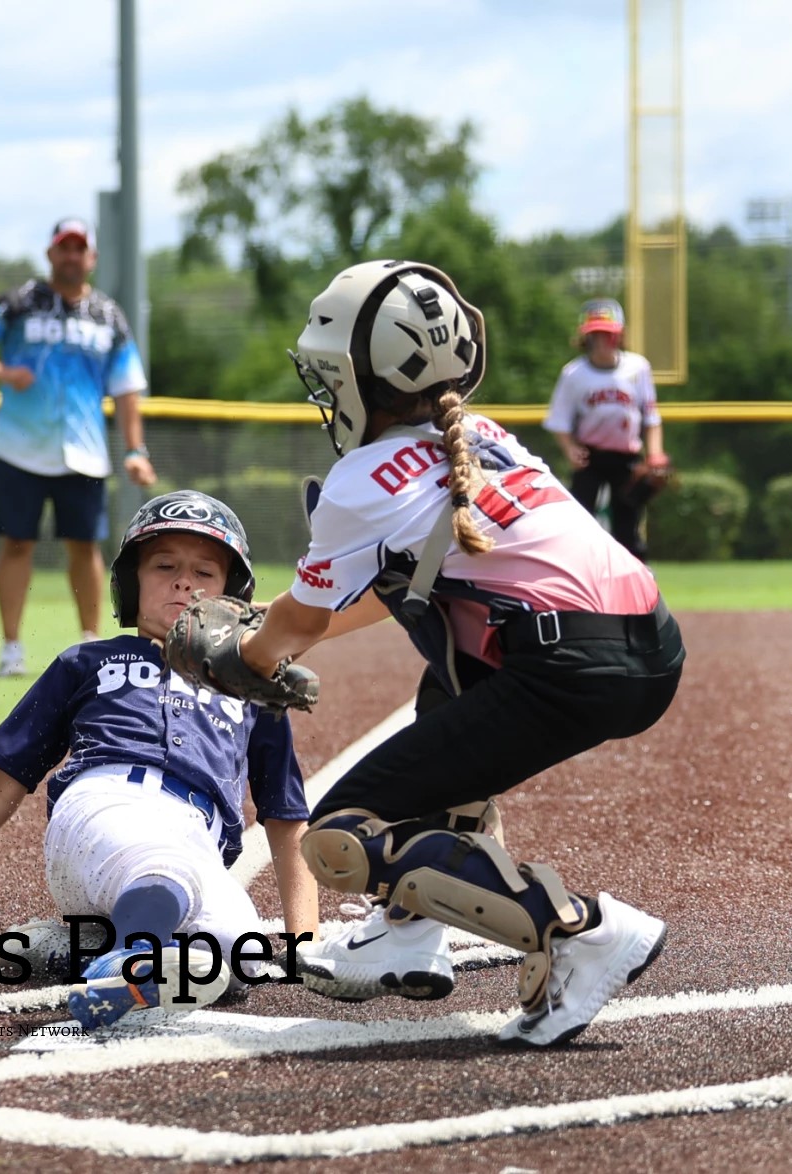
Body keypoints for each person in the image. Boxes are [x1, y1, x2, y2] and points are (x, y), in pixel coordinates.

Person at [233, 260, 686, 1048]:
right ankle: (405, 930)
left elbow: (293, 629)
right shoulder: (482, 434)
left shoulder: (359, 478)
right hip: (647, 641)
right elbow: (391, 596)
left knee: (340, 835)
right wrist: (265, 637)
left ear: (359, 376)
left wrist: (236, 650)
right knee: (447, 671)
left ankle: (582, 929)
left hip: (565, 664)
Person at [0, 490, 318, 1031]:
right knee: (164, 869)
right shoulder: (89, 661)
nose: (184, 582)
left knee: (239, 951)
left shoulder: (254, 689)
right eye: (164, 566)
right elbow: (4, 782)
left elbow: (285, 816)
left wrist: (304, 942)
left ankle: (84, 946)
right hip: (103, 809)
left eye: (204, 572)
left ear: (232, 596)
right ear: (129, 583)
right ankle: (130, 959)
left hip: (195, 839)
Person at [0, 218, 158, 678]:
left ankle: (89, 643)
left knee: (84, 547)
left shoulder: (108, 316)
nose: (71, 255)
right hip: (18, 450)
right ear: (50, 254)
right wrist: (2, 373)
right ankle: (11, 647)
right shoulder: (19, 303)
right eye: (63, 247)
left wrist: (136, 449)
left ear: (92, 258)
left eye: (79, 248)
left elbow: (127, 389)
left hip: (82, 452)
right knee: (17, 543)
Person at [542, 298, 668, 561]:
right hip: (591, 457)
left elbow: (651, 417)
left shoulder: (637, 367)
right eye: (595, 335)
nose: (601, 341)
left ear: (620, 336)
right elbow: (559, 420)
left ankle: (637, 583)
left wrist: (655, 454)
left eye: (607, 334)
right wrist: (570, 449)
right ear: (585, 338)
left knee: (627, 526)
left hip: (627, 457)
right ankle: (579, 579)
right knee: (579, 521)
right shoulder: (574, 373)